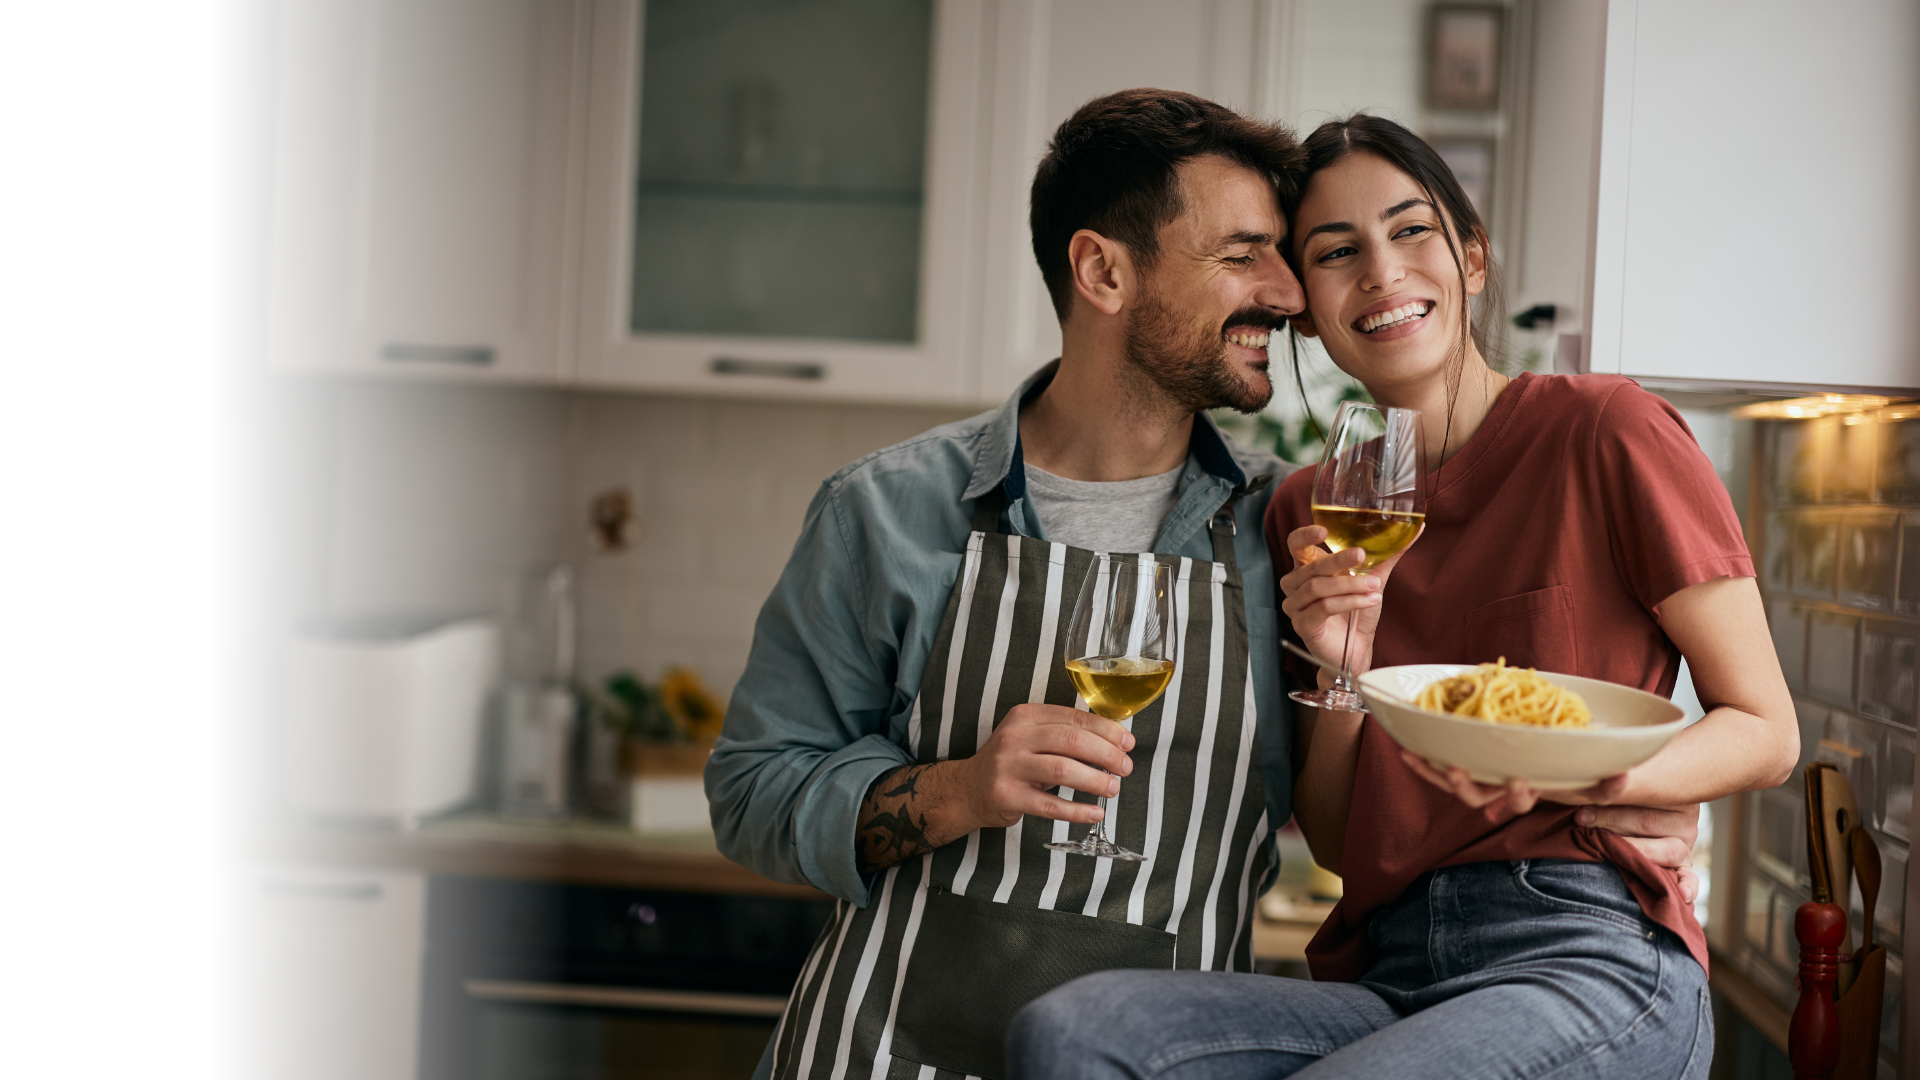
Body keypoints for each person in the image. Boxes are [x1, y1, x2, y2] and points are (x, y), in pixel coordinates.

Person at [709, 94, 1710, 1080]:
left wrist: (1617, 805)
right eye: (1242, 256)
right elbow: (754, 789)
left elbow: (1364, 793)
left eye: (1286, 255)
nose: (1287, 295)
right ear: (1103, 270)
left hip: (1157, 1055)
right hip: (885, 1056)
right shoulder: (888, 510)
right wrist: (959, 789)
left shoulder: (1291, 534)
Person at [1007, 114, 1797, 1080]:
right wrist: (1339, 673)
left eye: (1410, 230)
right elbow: (1341, 841)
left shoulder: (1606, 432)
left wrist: (1601, 782)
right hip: (1387, 968)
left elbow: (1766, 729)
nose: (1380, 272)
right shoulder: (1309, 509)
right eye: (1336, 252)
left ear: (1471, 257)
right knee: (1073, 1036)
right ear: (1305, 305)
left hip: (1583, 952)